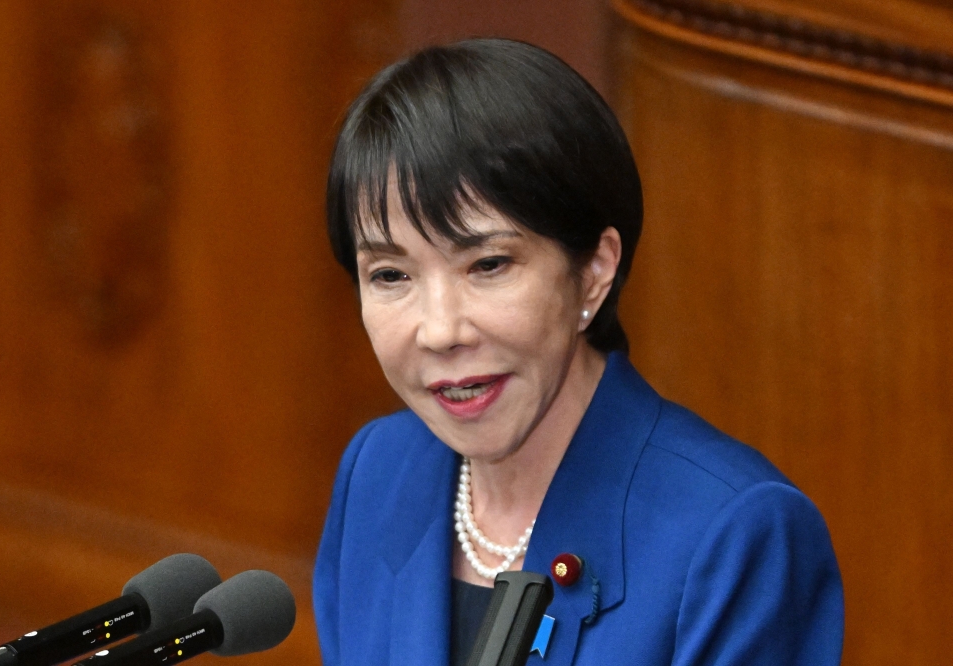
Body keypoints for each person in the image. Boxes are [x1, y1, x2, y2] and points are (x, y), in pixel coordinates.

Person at [313, 38, 843, 666]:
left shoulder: (733, 535)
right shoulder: (380, 471)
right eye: (391, 276)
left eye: (488, 264)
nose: (439, 330)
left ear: (593, 270)